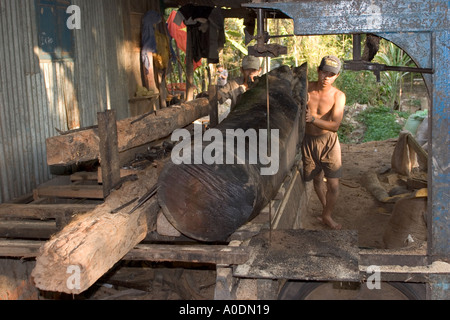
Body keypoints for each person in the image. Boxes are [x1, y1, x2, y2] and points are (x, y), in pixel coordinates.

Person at [302, 55, 346, 230]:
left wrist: (312, 119)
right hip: (307, 140)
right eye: (324, 72)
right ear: (318, 71)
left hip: (329, 142)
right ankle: (325, 211)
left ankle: (327, 215)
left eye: (331, 74)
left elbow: (335, 125)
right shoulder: (306, 89)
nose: (326, 77)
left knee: (333, 185)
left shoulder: (338, 96)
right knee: (317, 179)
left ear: (337, 76)